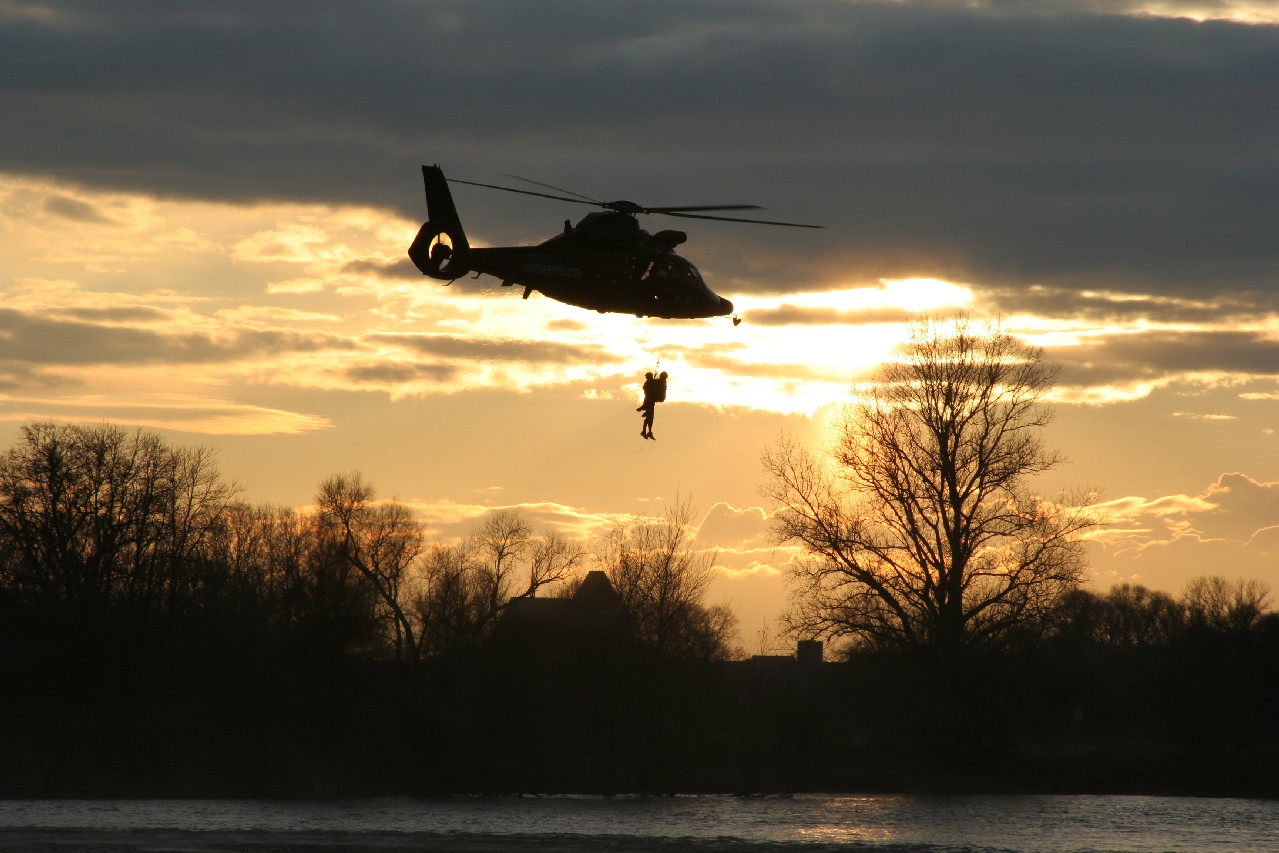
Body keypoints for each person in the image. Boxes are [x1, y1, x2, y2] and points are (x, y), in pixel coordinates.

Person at [637, 370, 668, 440]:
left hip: (650, 401)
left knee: (649, 417)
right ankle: (646, 432)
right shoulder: (655, 382)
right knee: (649, 417)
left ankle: (646, 431)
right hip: (650, 401)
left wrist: (654, 380)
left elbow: (654, 385)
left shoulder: (658, 382)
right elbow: (648, 391)